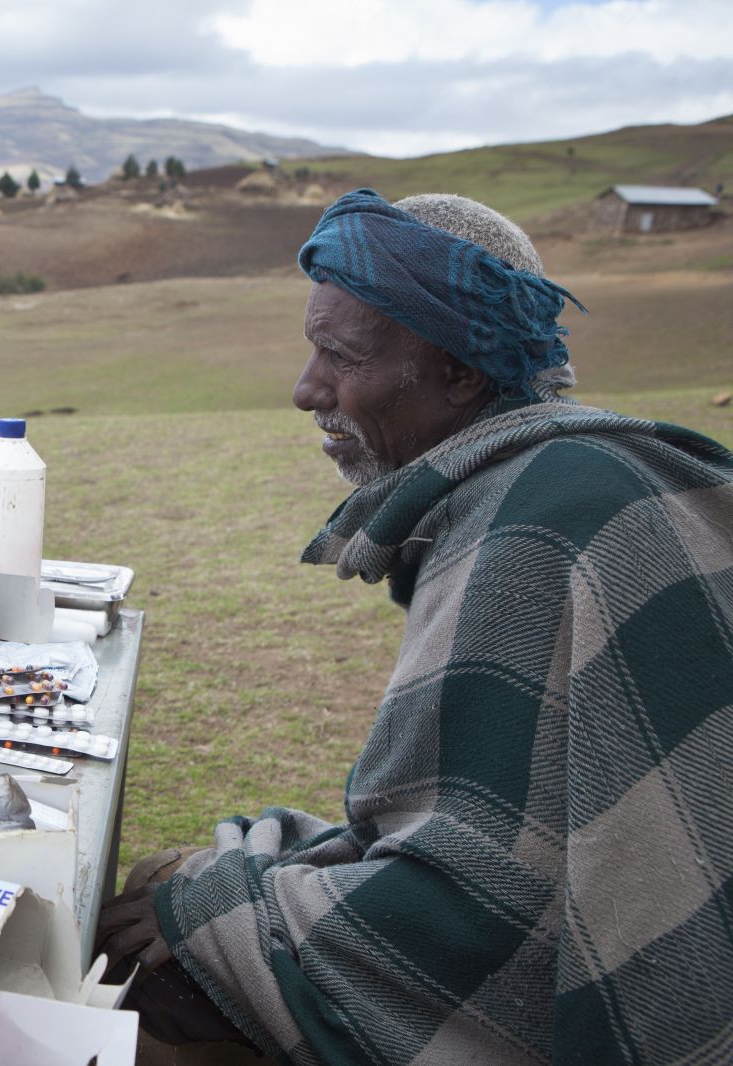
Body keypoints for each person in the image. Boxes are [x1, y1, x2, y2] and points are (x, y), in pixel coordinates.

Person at [99, 189, 733, 1064]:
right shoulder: (583, 462)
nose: (305, 390)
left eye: (343, 357)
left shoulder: (535, 520)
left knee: (147, 999)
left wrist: (214, 913)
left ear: (462, 375)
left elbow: (472, 907)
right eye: (311, 349)